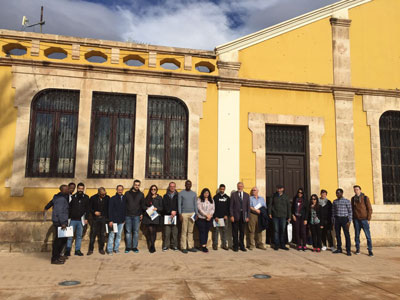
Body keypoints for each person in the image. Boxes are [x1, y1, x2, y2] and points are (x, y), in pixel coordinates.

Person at [66, 182, 89, 257]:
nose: (80, 190)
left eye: (82, 189)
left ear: (83, 189)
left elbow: (87, 209)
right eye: (79, 188)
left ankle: (77, 250)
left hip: (81, 220)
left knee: (79, 236)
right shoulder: (72, 197)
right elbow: (69, 208)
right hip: (72, 220)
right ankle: (68, 250)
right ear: (77, 188)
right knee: (70, 236)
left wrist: (86, 218)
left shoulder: (86, 197)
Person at [351, 185, 373, 257]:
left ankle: (370, 250)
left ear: (360, 190)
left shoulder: (365, 198)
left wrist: (368, 219)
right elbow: (352, 209)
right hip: (356, 220)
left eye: (357, 189)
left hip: (364, 219)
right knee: (357, 235)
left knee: (368, 236)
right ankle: (357, 249)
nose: (356, 191)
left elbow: (369, 209)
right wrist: (353, 219)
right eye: (355, 190)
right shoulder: (353, 199)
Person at [50, 185, 69, 264]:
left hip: (60, 222)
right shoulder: (61, 199)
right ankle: (55, 258)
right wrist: (63, 223)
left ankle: (58, 256)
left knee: (62, 240)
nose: (69, 190)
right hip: (60, 223)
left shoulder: (60, 197)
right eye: (67, 189)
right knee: (58, 241)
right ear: (63, 190)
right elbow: (60, 212)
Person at [268, 185, 291, 251]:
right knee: (276, 230)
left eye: (280, 188)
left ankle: (283, 245)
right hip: (275, 216)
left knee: (283, 230)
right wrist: (269, 213)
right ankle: (276, 245)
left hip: (283, 216)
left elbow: (288, 207)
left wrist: (289, 216)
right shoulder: (273, 196)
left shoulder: (286, 196)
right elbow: (270, 205)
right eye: (278, 188)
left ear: (283, 189)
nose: (279, 189)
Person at [124, 179, 144, 253]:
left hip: (137, 216)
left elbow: (142, 205)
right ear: (133, 185)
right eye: (135, 185)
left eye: (138, 185)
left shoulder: (141, 194)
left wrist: (141, 213)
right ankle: (128, 247)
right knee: (128, 232)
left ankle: (135, 247)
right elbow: (124, 205)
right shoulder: (127, 193)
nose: (137, 186)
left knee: (135, 232)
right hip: (128, 215)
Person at [88, 187, 109, 255]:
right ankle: (90, 249)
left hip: (103, 218)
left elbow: (109, 208)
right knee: (93, 234)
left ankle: (101, 249)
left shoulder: (107, 198)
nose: (104, 195)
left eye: (104, 194)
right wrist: (94, 212)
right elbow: (89, 208)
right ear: (98, 193)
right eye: (102, 194)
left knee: (102, 235)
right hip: (95, 219)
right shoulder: (93, 198)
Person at [178, 180, 198, 253]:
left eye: (190, 184)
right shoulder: (181, 193)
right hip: (184, 214)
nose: (188, 185)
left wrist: (196, 213)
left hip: (192, 214)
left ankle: (190, 246)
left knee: (190, 231)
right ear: (185, 185)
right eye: (187, 184)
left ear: (191, 185)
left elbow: (195, 204)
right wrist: (180, 214)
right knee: (184, 231)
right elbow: (179, 204)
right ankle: (183, 247)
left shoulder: (194, 194)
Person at [142, 185, 163, 253]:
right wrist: (147, 208)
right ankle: (151, 245)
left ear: (156, 190)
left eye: (154, 189)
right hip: (148, 216)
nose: (153, 190)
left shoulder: (159, 198)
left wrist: (157, 208)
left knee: (153, 231)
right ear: (150, 190)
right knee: (150, 230)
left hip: (155, 216)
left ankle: (152, 245)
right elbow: (143, 206)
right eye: (152, 189)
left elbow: (162, 208)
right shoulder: (147, 197)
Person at [230, 182, 250, 252]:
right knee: (235, 232)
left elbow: (248, 207)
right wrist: (231, 215)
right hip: (235, 216)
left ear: (243, 187)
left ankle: (242, 246)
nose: (239, 187)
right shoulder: (233, 195)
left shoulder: (247, 195)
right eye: (238, 186)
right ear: (237, 186)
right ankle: (235, 246)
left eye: (241, 186)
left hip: (243, 216)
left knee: (242, 232)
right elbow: (231, 206)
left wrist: (248, 216)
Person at [107, 185, 126, 255]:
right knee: (112, 235)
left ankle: (116, 248)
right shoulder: (112, 199)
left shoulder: (124, 198)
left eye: (121, 189)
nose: (120, 190)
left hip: (121, 221)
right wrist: (110, 220)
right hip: (114, 221)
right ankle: (109, 250)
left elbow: (125, 210)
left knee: (119, 235)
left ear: (123, 190)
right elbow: (110, 210)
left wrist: (124, 219)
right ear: (116, 190)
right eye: (119, 189)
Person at [332, 188, 352, 256]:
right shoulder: (335, 202)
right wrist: (333, 220)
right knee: (337, 234)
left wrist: (349, 221)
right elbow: (333, 212)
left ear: (342, 193)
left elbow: (350, 211)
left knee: (346, 235)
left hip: (344, 219)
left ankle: (348, 250)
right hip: (337, 219)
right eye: (337, 193)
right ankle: (339, 248)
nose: (337, 194)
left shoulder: (347, 201)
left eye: (339, 193)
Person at [212, 184, 230, 251]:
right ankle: (215, 245)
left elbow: (229, 208)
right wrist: (215, 216)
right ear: (219, 189)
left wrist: (226, 215)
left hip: (224, 218)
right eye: (221, 189)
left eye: (223, 189)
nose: (222, 190)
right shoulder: (215, 197)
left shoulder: (227, 198)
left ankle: (224, 245)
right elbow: (213, 208)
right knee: (216, 231)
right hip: (217, 218)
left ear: (224, 189)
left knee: (224, 231)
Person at [196, 188, 215, 253]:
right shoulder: (199, 199)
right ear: (203, 193)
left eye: (207, 193)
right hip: (201, 218)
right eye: (205, 193)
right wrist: (206, 215)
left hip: (209, 219)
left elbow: (213, 209)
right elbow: (199, 209)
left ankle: (204, 244)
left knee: (206, 232)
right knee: (202, 232)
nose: (206, 194)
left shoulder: (211, 200)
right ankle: (203, 246)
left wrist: (210, 215)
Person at [162, 182, 179, 252]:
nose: (172, 187)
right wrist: (170, 211)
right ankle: (166, 246)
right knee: (167, 232)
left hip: (175, 216)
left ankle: (174, 246)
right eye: (171, 186)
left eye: (173, 186)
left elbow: (180, 205)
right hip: (167, 216)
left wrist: (175, 211)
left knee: (175, 232)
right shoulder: (165, 196)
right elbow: (164, 206)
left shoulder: (178, 196)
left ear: (175, 187)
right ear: (169, 187)